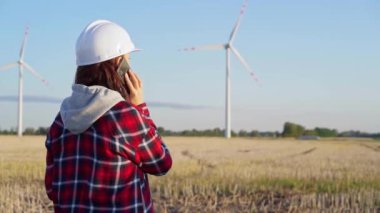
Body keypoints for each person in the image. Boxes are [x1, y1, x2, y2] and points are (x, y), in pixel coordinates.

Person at [44, 20, 172, 213]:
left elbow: (52, 188)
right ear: (119, 63)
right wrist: (140, 107)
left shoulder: (60, 120)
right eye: (128, 60)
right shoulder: (123, 116)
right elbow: (161, 163)